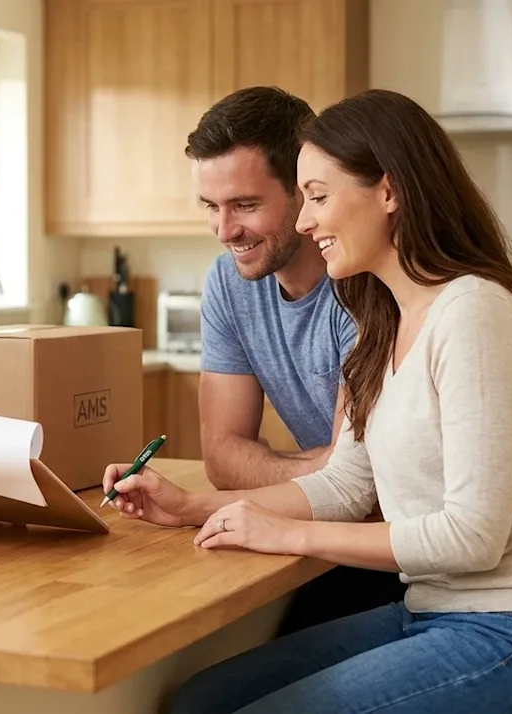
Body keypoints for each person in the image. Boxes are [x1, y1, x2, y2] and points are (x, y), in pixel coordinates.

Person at [105, 88, 512, 714]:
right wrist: (192, 506)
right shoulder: (385, 318)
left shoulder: (474, 313)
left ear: (389, 192)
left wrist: (288, 535)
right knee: (198, 700)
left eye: (318, 197)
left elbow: (473, 538)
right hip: (436, 613)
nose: (304, 221)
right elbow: (347, 484)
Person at [184, 86, 405, 635]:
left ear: (303, 195)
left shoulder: (371, 287)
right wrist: (324, 467)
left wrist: (323, 475)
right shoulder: (228, 285)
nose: (224, 231)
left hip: (392, 560)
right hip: (333, 535)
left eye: (247, 205)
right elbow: (222, 455)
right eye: (212, 207)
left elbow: (367, 492)